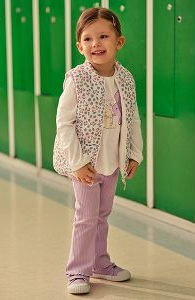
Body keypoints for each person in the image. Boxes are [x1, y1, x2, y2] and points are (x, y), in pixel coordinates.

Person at [53, 7, 143, 295]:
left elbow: (133, 117)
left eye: (103, 36)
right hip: (86, 163)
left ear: (119, 42)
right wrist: (77, 163)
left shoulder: (126, 78)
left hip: (112, 160)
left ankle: (100, 263)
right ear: (80, 46)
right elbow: (64, 123)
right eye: (88, 39)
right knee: (85, 216)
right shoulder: (77, 79)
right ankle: (77, 270)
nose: (96, 44)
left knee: (102, 214)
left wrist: (135, 153)